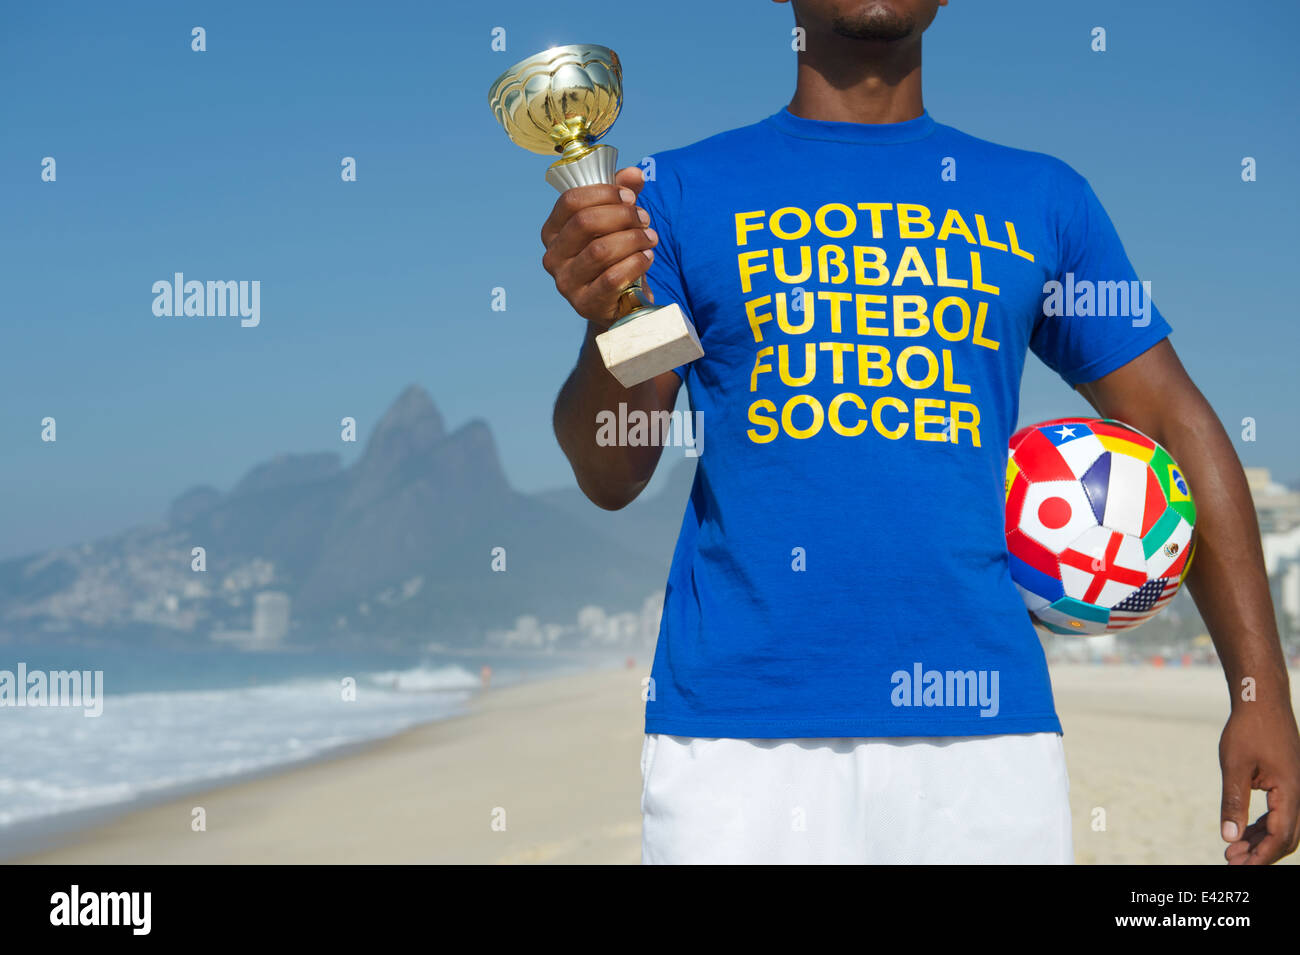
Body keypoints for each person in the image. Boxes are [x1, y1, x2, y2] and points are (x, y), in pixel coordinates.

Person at [539, 0, 1300, 863]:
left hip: (985, 741)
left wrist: (1260, 688)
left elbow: (1169, 417)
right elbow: (614, 472)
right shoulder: (672, 195)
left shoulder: (1043, 198)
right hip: (734, 738)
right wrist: (610, 319)